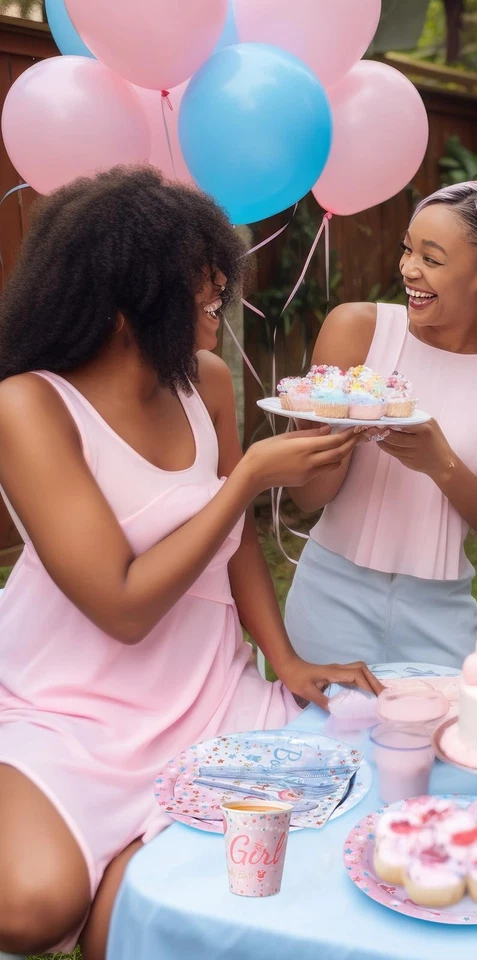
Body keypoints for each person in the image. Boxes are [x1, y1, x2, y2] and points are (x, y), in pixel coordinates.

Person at [0, 167, 382, 960]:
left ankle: (128, 872)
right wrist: (245, 477)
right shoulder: (28, 407)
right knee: (33, 907)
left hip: (210, 697)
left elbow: (233, 537)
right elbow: (122, 606)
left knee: (359, 807)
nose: (220, 295)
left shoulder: (204, 381)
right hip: (68, 710)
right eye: (201, 287)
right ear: (121, 303)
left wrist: (284, 659)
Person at [284, 180, 477, 668]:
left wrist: (441, 464)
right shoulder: (356, 329)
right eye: (407, 250)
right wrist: (322, 436)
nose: (409, 269)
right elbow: (308, 500)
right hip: (331, 594)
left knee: (439, 743)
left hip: (441, 612)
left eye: (431, 259)